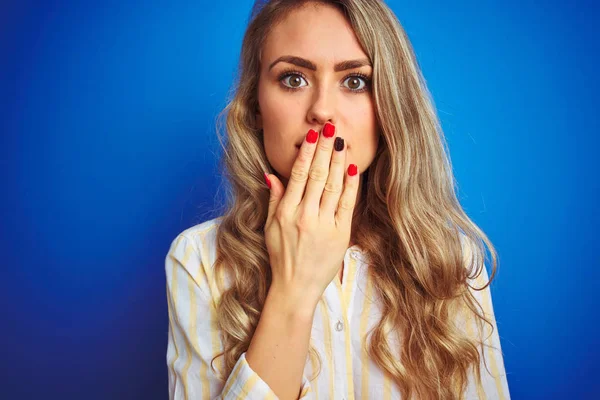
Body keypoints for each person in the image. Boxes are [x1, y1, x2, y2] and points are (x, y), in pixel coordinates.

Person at [165, 0, 511, 399]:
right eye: (293, 79)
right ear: (255, 105)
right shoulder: (199, 261)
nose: (322, 111)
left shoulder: (453, 263)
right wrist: (294, 290)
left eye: (355, 81)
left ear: (388, 107)